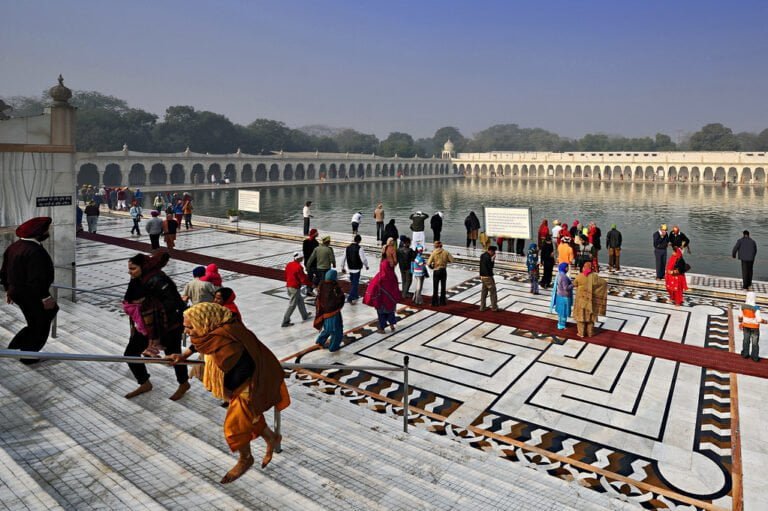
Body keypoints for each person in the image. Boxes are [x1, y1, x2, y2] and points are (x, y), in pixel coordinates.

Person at [170, 302, 290, 482]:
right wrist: (184, 356)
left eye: (189, 327)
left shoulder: (229, 340)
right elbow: (201, 344)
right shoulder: (212, 332)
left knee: (234, 427)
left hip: (248, 384)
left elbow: (242, 369)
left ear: (205, 322)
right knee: (251, 417)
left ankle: (246, 458)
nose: (186, 331)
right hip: (236, 386)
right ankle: (272, 438)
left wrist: (233, 393)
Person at [123, 251, 190, 400]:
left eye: (133, 268)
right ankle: (144, 382)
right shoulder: (138, 279)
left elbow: (173, 302)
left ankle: (183, 383)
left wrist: (148, 306)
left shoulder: (158, 279)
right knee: (130, 354)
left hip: (168, 325)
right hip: (146, 325)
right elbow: (130, 297)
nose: (130, 272)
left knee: (174, 355)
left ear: (142, 267)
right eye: (129, 269)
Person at [0, 217, 58, 363]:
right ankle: (28, 355)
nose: (48, 231)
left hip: (18, 292)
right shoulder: (35, 251)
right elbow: (37, 280)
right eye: (46, 229)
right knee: (40, 322)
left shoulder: (15, 246)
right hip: (30, 294)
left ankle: (18, 345)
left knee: (36, 321)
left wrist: (9, 290)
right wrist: (45, 298)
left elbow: (4, 271)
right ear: (39, 233)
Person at [364, 259, 402, 333]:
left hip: (381, 301)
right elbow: (396, 286)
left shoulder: (379, 276)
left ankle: (382, 329)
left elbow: (373, 286)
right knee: (391, 312)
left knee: (381, 314)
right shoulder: (393, 275)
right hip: (390, 300)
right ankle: (392, 325)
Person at [572, 261, 608, 338]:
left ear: (584, 268)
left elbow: (574, 284)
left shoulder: (579, 276)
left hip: (581, 301)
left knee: (581, 318)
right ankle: (590, 333)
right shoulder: (595, 276)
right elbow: (604, 283)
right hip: (591, 301)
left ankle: (581, 333)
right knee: (590, 319)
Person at [314, 269, 345, 352]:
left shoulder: (322, 284)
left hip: (324, 312)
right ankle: (333, 347)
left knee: (327, 328)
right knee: (336, 330)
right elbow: (341, 298)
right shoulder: (335, 286)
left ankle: (320, 341)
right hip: (333, 312)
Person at [282, 252, 312, 327]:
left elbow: (286, 273)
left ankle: (305, 315)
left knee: (300, 301)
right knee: (292, 305)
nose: (303, 259)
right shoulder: (299, 267)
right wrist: (311, 285)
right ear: (299, 258)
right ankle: (285, 321)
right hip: (294, 287)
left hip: (289, 285)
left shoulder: (289, 264)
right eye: (302, 257)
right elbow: (303, 279)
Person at [738, 291, 766, 362]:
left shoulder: (742, 306)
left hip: (746, 326)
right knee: (755, 342)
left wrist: (741, 323)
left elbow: (740, 317)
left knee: (746, 340)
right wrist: (765, 321)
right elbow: (759, 320)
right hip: (755, 327)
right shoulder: (756, 308)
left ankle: (745, 354)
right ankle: (755, 357)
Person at [341, 234, 369, 304]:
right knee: (355, 283)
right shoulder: (360, 248)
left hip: (350, 267)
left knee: (353, 282)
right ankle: (351, 297)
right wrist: (366, 265)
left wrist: (342, 267)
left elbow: (343, 258)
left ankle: (355, 295)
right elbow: (363, 259)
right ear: (359, 241)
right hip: (357, 268)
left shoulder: (347, 248)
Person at [427, 240, 454, 306]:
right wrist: (445, 261)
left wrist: (432, 267)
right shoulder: (446, 252)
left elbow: (428, 263)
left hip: (436, 270)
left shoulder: (434, 253)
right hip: (443, 270)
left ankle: (435, 302)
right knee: (443, 286)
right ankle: (442, 302)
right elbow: (452, 260)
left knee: (435, 287)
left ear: (436, 246)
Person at [550, 263, 573, 330]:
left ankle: (560, 323)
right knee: (564, 311)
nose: (568, 268)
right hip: (564, 297)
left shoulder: (559, 274)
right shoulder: (564, 277)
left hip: (560, 295)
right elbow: (566, 288)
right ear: (564, 268)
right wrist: (573, 284)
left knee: (561, 311)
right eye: (567, 267)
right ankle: (561, 325)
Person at [479, 245, 499, 311]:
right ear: (491, 251)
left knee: (484, 292)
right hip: (488, 276)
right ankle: (494, 307)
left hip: (482, 276)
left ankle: (482, 307)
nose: (494, 253)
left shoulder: (483, 255)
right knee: (493, 291)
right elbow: (490, 267)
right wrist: (492, 260)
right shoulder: (488, 257)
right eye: (494, 252)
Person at [302, 229, 320, 294]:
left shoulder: (305, 242)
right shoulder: (316, 243)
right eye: (317, 232)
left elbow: (304, 253)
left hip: (307, 262)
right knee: (318, 275)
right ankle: (313, 286)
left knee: (310, 276)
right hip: (314, 263)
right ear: (314, 234)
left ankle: (309, 289)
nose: (318, 233)